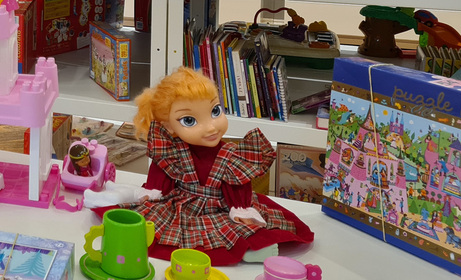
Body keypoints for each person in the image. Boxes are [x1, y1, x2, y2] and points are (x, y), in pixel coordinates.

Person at [116, 67, 314, 265]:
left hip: (221, 207)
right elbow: (162, 175)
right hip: (180, 203)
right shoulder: (173, 151)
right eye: (189, 120)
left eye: (215, 111)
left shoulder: (230, 155)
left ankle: (248, 249)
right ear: (168, 126)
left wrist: (240, 208)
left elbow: (238, 187)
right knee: (151, 224)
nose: (210, 127)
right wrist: (154, 193)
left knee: (235, 229)